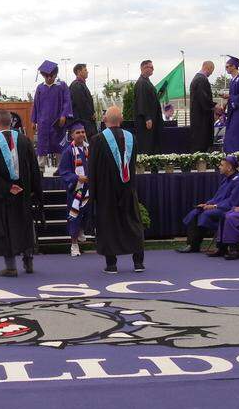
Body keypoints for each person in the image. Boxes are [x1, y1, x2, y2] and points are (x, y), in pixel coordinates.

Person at [0, 110, 43, 276]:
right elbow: (34, 169)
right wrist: (35, 191)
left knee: (5, 226)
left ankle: (10, 266)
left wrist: (6, 187)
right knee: (25, 224)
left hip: (3, 197)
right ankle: (28, 262)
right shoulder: (24, 140)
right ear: (11, 122)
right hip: (23, 193)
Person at [88, 106, 144, 273]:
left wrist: (94, 195)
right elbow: (131, 163)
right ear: (121, 120)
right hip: (128, 188)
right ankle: (138, 262)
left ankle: (111, 264)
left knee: (108, 225)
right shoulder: (132, 138)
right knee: (132, 222)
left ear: (105, 120)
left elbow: (93, 169)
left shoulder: (97, 140)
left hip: (106, 191)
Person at [178, 154, 239, 253]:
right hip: (219, 207)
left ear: (229, 167)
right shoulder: (226, 179)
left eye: (221, 165)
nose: (219, 167)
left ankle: (221, 247)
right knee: (196, 212)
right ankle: (192, 245)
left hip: (229, 209)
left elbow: (233, 201)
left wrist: (214, 206)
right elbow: (217, 197)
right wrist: (206, 204)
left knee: (206, 214)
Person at [56, 121, 93, 257]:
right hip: (76, 189)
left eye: (83, 132)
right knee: (74, 215)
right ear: (72, 135)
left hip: (89, 188)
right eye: (78, 132)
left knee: (88, 213)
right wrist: (77, 178)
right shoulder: (68, 151)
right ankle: (74, 245)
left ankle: (82, 230)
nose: (81, 134)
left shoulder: (89, 148)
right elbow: (64, 171)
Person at [30, 60, 73, 167]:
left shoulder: (62, 86)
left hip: (57, 122)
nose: (49, 78)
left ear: (55, 74)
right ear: (43, 75)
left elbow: (67, 101)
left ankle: (61, 167)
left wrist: (64, 115)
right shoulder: (40, 88)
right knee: (42, 145)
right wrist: (33, 120)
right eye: (46, 76)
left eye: (52, 75)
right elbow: (35, 105)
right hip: (43, 122)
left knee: (59, 144)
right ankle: (41, 168)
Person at [133, 59, 163, 155]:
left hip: (152, 119)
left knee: (152, 145)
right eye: (151, 67)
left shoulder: (146, 81)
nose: (153, 69)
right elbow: (142, 101)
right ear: (144, 68)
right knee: (147, 146)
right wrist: (147, 118)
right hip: (145, 122)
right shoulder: (141, 83)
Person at [188, 61, 217, 151]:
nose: (211, 73)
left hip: (197, 117)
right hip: (201, 118)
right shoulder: (201, 79)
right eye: (211, 71)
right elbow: (203, 99)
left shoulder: (196, 78)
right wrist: (214, 107)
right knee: (201, 144)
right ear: (209, 68)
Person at [69, 64, 97, 138]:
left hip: (86, 121)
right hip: (82, 123)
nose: (87, 72)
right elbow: (81, 104)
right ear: (79, 72)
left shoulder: (81, 84)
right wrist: (91, 114)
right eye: (85, 70)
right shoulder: (76, 85)